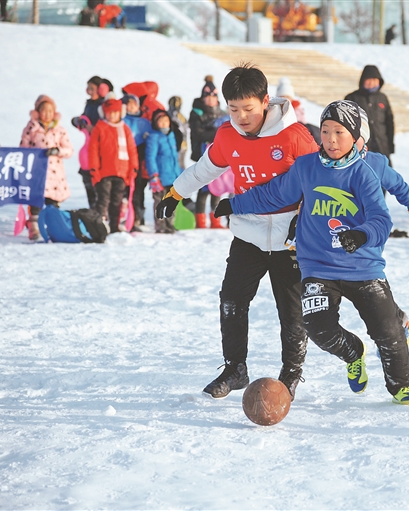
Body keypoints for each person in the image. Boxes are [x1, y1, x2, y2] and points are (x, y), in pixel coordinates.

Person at [214, 100, 409, 406]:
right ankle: (354, 353)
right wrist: (236, 203)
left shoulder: (365, 170)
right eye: (325, 131)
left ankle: (402, 385)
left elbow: (381, 218)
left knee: (387, 330)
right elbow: (276, 193)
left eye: (339, 132)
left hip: (362, 266)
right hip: (318, 266)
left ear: (356, 136)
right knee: (318, 327)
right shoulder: (306, 167)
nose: (331, 139)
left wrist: (363, 233)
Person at [155, 64, 318, 401]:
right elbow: (205, 169)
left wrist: (308, 219)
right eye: (233, 109)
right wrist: (176, 192)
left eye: (248, 109)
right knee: (231, 299)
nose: (241, 117)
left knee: (291, 309)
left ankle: (291, 372)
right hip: (249, 233)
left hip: (292, 237)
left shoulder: (293, 136)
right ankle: (235, 368)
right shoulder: (227, 136)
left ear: (265, 101)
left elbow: (320, 181)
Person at [19, 95, 74, 240]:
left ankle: (54, 228)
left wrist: (58, 151)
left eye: (50, 111)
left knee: (53, 203)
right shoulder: (31, 128)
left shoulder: (59, 130)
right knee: (36, 200)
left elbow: (69, 150)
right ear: (38, 112)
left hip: (55, 173)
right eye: (44, 110)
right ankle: (34, 227)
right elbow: (23, 148)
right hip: (36, 171)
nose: (47, 114)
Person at [88, 94, 138, 234]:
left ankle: (114, 226)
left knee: (117, 202)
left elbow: (131, 149)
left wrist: (133, 168)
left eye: (115, 113)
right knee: (103, 200)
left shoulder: (125, 129)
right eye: (109, 113)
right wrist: (94, 169)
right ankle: (98, 226)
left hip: (122, 172)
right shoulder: (100, 128)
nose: (112, 116)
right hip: (104, 172)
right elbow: (93, 150)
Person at [188, 77, 227, 229]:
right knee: (204, 188)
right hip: (202, 154)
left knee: (217, 187)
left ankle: (216, 219)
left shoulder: (222, 113)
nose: (211, 100)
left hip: (219, 155)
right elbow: (198, 134)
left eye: (213, 97)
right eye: (208, 97)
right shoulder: (196, 113)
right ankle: (200, 219)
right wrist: (216, 133)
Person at [345, 65, 394, 164]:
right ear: (362, 80)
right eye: (369, 79)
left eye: (375, 79)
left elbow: (389, 123)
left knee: (385, 175)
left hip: (382, 146)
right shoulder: (352, 98)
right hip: (361, 148)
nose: (372, 83)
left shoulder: (382, 98)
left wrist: (390, 145)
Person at [146, 110, 183, 234]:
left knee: (172, 202)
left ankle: (170, 224)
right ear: (156, 123)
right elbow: (150, 157)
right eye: (160, 121)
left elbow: (175, 157)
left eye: (166, 121)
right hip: (160, 176)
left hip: (173, 176)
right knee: (160, 201)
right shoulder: (154, 137)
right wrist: (154, 175)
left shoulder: (171, 136)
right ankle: (160, 225)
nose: (164, 123)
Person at [72, 76, 105, 209]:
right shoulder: (89, 104)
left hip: (100, 148)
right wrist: (80, 122)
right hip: (88, 146)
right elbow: (82, 120)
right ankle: (93, 210)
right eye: (88, 88)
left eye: (92, 88)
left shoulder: (103, 105)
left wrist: (95, 128)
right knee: (87, 179)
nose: (89, 91)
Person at [122, 93, 152, 231]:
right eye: (127, 105)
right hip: (124, 159)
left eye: (133, 104)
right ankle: (125, 217)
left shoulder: (145, 123)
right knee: (124, 189)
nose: (130, 107)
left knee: (138, 189)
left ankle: (139, 217)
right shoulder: (121, 121)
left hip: (140, 160)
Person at [276, 77, 320, 145]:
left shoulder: (297, 109)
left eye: (287, 97)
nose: (285, 99)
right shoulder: (275, 109)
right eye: (282, 97)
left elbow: (303, 124)